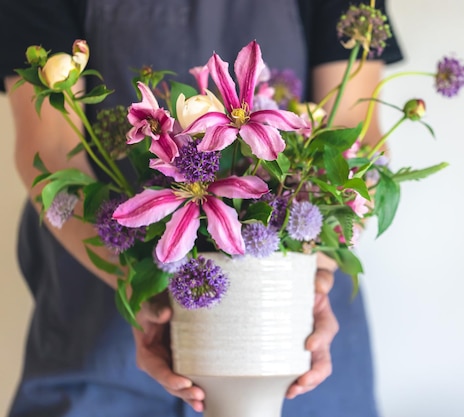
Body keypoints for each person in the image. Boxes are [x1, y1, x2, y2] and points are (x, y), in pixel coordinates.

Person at [0, 0, 402, 416]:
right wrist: (139, 288)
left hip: (288, 330)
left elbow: (358, 138)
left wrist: (310, 275)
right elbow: (47, 151)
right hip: (101, 329)